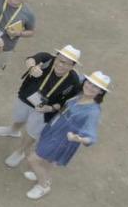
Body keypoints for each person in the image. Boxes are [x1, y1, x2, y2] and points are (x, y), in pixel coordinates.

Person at [22, 70, 109, 200]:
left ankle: (43, 186)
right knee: (48, 159)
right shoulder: (81, 94)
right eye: (89, 82)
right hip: (54, 129)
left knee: (33, 159)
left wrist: (79, 138)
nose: (90, 87)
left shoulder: (92, 112)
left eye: (96, 86)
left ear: (101, 92)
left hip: (61, 140)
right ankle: (44, 175)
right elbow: (73, 75)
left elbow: (91, 137)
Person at [0, 44, 83, 169]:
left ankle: (20, 152)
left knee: (32, 132)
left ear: (73, 66)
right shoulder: (47, 59)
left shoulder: (73, 81)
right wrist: (32, 67)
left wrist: (51, 108)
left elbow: (66, 104)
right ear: (56, 56)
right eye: (59, 60)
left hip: (44, 111)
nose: (60, 65)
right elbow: (30, 59)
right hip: (26, 97)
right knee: (19, 116)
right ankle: (13, 130)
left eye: (66, 63)